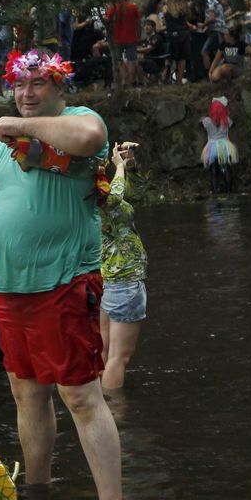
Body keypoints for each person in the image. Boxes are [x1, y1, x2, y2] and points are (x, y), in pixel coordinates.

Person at [0, 49, 123, 500]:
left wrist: (18, 124)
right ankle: (39, 493)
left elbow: (88, 138)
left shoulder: (79, 120)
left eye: (37, 85)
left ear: (59, 88)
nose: (25, 94)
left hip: (63, 281)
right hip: (10, 288)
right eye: (19, 86)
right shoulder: (2, 149)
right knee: (26, 394)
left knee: (82, 396)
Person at [99, 142, 146, 391]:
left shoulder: (94, 189)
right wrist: (118, 168)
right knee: (120, 357)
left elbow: (136, 194)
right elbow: (115, 199)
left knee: (106, 351)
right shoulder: (99, 197)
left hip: (109, 278)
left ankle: (101, 409)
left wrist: (129, 166)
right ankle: (115, 413)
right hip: (124, 280)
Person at [200, 96, 237, 193]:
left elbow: (200, 123)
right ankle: (229, 191)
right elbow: (233, 125)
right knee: (226, 168)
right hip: (225, 147)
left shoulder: (207, 121)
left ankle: (215, 192)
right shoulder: (226, 120)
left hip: (211, 147)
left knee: (213, 171)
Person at [106, 0, 141, 88]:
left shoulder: (112, 9)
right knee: (131, 61)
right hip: (131, 38)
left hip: (117, 39)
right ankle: (131, 81)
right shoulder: (133, 7)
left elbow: (108, 23)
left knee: (119, 61)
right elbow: (138, 22)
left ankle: (123, 82)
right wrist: (139, 36)